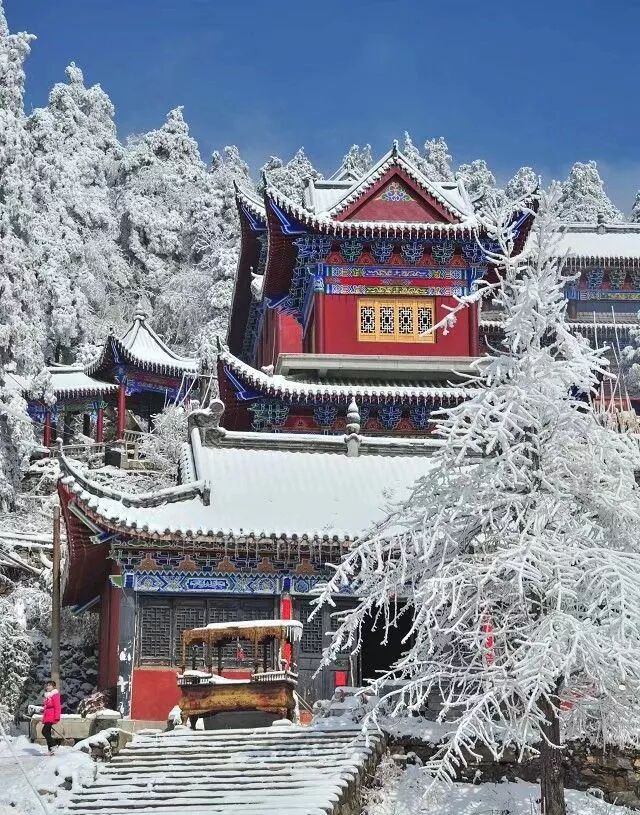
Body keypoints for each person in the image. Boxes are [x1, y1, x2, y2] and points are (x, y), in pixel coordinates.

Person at [41, 680, 62, 754]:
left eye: (50, 685)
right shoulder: (48, 695)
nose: (48, 687)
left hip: (51, 716)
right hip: (47, 716)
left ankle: (54, 744)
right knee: (48, 732)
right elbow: (46, 707)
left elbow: (57, 706)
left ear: (54, 687)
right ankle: (50, 750)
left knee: (44, 731)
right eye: (47, 685)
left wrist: (57, 717)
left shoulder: (55, 695)